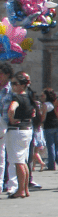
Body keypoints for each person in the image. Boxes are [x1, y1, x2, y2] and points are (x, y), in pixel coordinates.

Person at [5, 72, 35, 198]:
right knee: (23, 160)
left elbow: (12, 109)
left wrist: (11, 118)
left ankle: (21, 190)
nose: (13, 86)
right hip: (27, 129)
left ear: (22, 85)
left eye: (15, 83)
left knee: (18, 162)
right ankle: (25, 189)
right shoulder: (29, 97)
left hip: (17, 130)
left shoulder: (17, 98)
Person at [0, 62, 15, 194]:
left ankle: (8, 181)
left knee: (8, 155)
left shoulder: (12, 90)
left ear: (7, 75)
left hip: (8, 126)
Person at [41, 88, 58, 171]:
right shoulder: (56, 103)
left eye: (43, 95)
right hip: (57, 126)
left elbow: (43, 117)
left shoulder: (46, 104)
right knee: (57, 147)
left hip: (49, 126)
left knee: (50, 146)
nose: (41, 97)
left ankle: (51, 165)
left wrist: (40, 121)